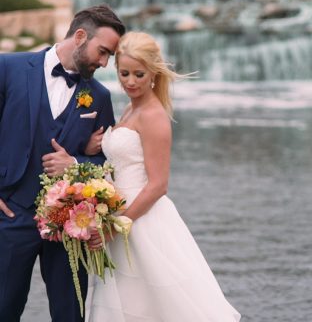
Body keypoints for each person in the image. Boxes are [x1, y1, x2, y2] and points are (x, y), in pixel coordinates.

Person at [84, 31, 241, 321]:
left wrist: (116, 226)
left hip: (140, 221)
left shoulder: (153, 115)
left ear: (154, 72)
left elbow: (158, 185)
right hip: (120, 215)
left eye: (139, 74)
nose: (130, 81)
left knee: (155, 304)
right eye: (124, 73)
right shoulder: (132, 107)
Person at [0, 4, 126, 322]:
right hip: (10, 215)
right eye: (102, 52)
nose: (104, 62)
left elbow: (105, 160)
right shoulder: (8, 67)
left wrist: (75, 161)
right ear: (80, 36)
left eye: (110, 55)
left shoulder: (98, 96)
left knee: (71, 312)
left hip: (71, 223)